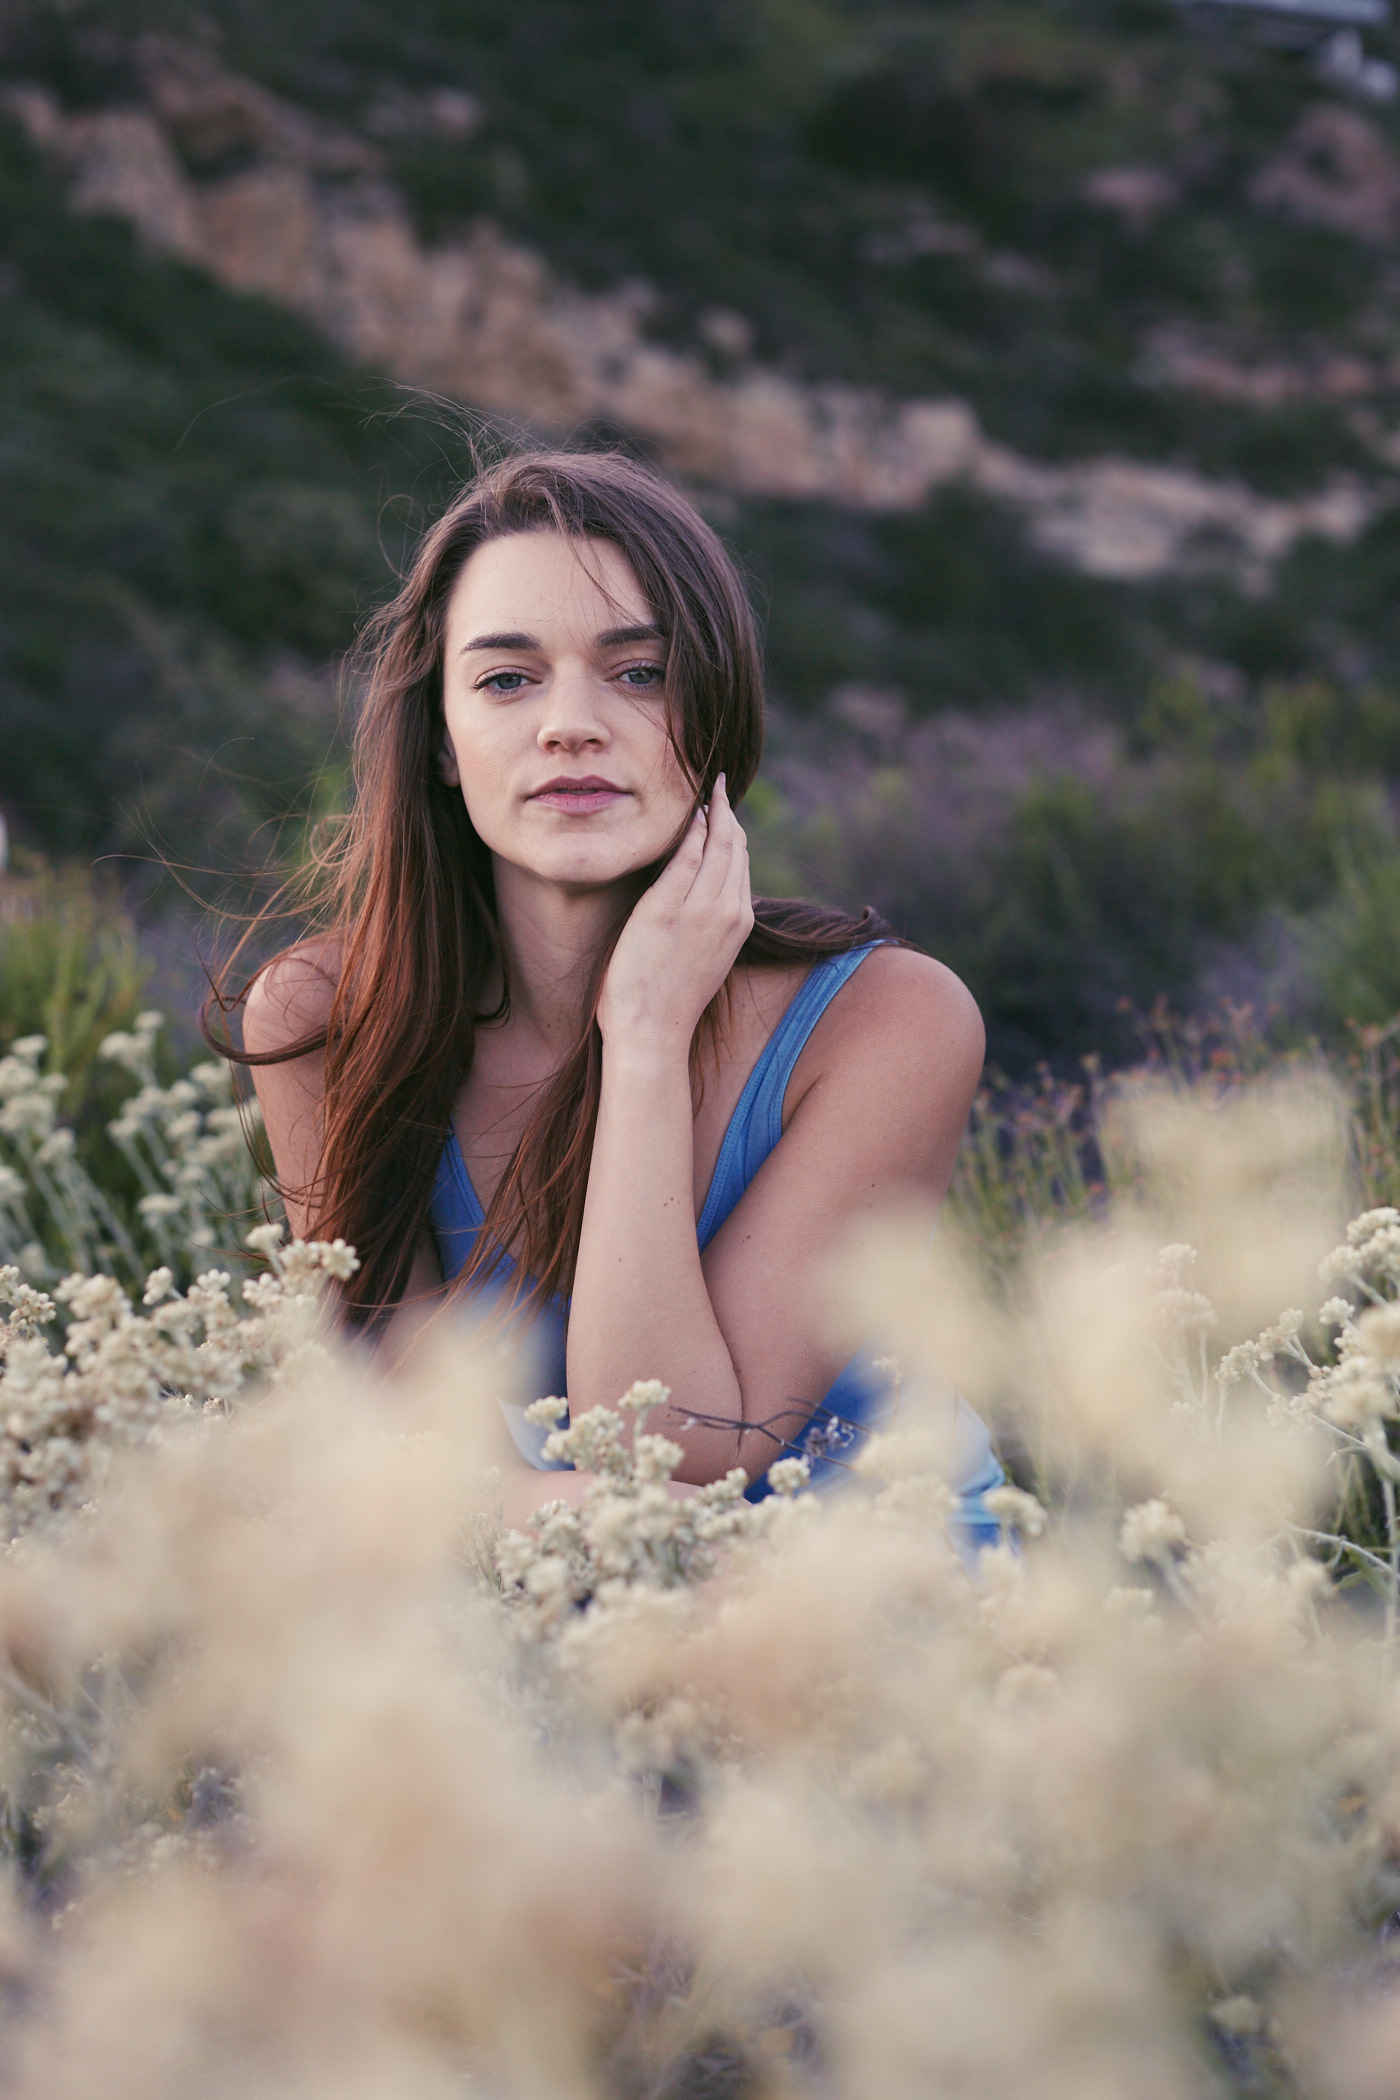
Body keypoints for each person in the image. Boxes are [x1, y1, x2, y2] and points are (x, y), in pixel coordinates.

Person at [224, 448, 1003, 1542]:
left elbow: (679, 1454)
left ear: (715, 711)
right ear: (441, 741)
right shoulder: (326, 1019)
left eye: (638, 673)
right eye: (505, 679)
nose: (569, 724)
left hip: (864, 1591)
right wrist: (569, 1517)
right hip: (554, 1584)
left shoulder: (888, 1021)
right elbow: (406, 1451)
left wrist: (643, 1039)